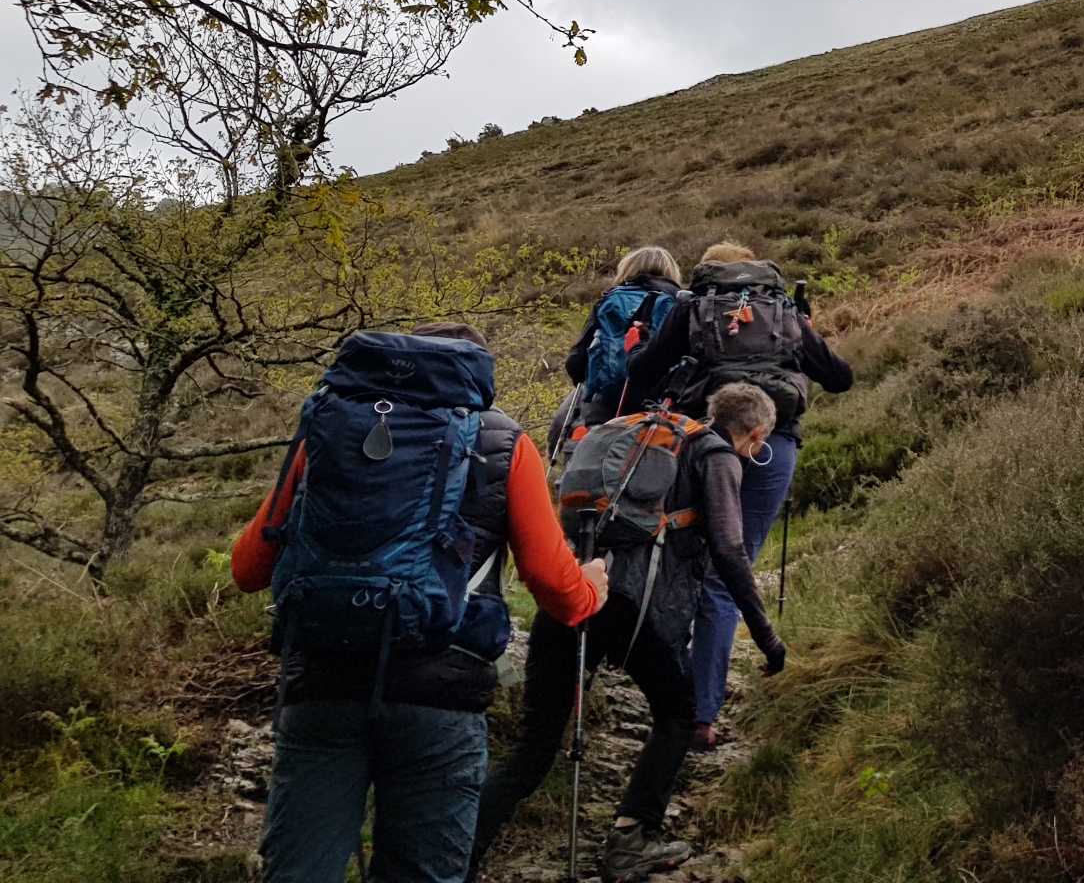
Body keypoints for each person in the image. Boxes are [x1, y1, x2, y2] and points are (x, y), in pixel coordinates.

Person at [233, 322, 607, 883]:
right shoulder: (504, 442)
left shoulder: (328, 430)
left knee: (299, 871)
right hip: (439, 695)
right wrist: (591, 587)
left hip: (324, 684)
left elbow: (247, 569)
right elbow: (555, 586)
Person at [472, 382, 788, 882]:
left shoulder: (645, 435)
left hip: (575, 591)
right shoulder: (716, 455)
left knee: (534, 748)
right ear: (757, 434)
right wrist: (769, 640)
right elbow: (730, 550)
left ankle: (455, 858)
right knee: (678, 715)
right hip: (634, 609)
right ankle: (630, 839)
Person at [621, 243, 852, 747]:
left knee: (683, 564)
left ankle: (668, 698)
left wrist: (638, 345)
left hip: (699, 445)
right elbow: (841, 378)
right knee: (728, 575)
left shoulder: (692, 307)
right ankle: (701, 718)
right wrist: (801, 334)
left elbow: (642, 372)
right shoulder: (783, 311)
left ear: (709, 272)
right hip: (772, 444)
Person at [560, 246, 686, 434]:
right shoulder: (681, 303)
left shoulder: (610, 299)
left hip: (606, 406)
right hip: (662, 408)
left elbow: (576, 361)